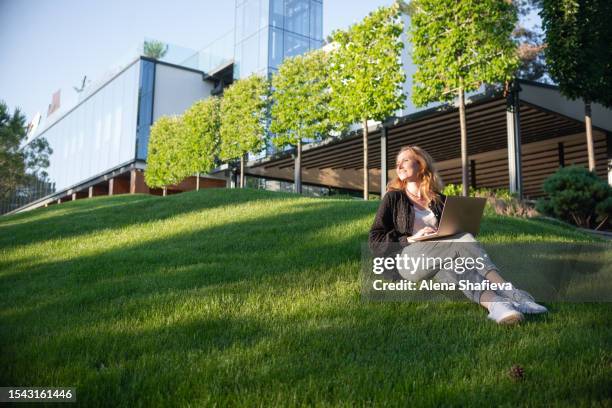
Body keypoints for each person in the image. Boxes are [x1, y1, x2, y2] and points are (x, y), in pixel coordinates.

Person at [368, 145, 547, 324]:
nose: (399, 166)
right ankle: (512, 292)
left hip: (439, 260)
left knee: (459, 267)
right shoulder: (393, 198)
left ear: (421, 164)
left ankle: (498, 306)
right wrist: (411, 238)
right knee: (462, 239)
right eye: (397, 163)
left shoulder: (439, 200)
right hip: (408, 260)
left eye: (405, 160)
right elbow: (375, 240)